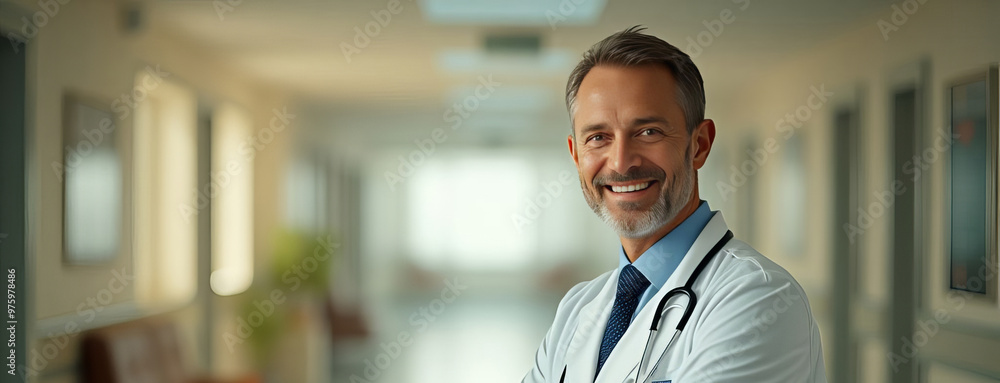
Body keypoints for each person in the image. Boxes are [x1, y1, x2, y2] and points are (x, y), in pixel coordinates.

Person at [523, 26, 827, 383]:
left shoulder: (760, 298)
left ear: (699, 145)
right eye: (599, 137)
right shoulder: (578, 309)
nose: (621, 163)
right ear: (576, 155)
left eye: (648, 132)